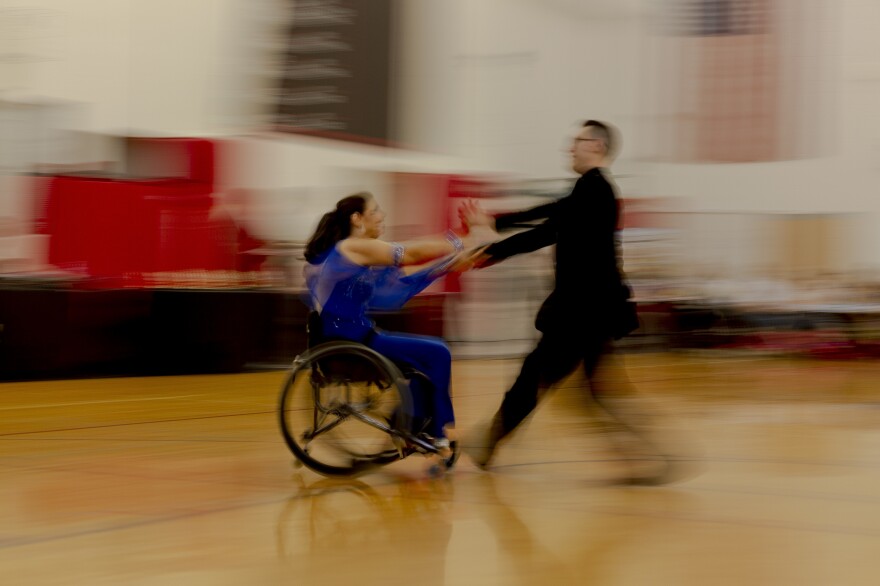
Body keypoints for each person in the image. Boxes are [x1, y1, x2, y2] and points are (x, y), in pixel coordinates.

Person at [460, 120, 688, 484]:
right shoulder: (591, 190)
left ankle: (489, 442)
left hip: (581, 311)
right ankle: (654, 458)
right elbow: (553, 216)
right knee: (594, 395)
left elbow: (548, 228)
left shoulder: (596, 190)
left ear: (596, 145)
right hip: (591, 310)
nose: (570, 147)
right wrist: (496, 225)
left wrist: (490, 249)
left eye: (578, 141)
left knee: (533, 377)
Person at [303, 191, 489, 466]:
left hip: (355, 338)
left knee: (427, 355)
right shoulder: (353, 246)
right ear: (357, 218)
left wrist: (448, 264)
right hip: (355, 342)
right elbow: (411, 253)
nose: (382, 215)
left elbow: (396, 285)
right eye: (376, 210)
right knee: (437, 352)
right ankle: (430, 432)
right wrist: (460, 239)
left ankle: (411, 424)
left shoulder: (353, 252)